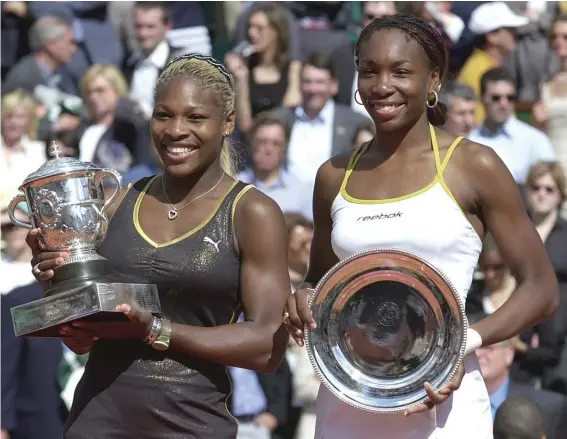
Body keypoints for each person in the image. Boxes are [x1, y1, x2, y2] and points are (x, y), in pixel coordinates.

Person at [284, 13, 559, 439]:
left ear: (433, 80)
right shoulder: (333, 175)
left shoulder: (474, 165)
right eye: (369, 71)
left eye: (401, 71)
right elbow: (322, 280)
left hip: (444, 400)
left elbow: (541, 291)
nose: (382, 86)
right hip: (347, 402)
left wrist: (461, 344)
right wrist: (303, 296)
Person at [26, 53, 292, 439]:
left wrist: (157, 329)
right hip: (96, 422)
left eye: (196, 117)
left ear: (228, 123)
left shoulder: (253, 212)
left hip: (190, 425)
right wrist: (54, 281)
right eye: (163, 115)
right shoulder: (118, 201)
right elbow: (82, 339)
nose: (175, 130)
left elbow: (267, 346)